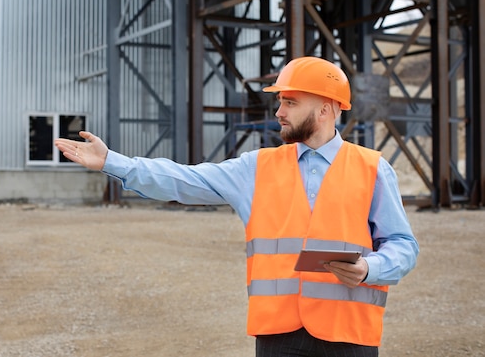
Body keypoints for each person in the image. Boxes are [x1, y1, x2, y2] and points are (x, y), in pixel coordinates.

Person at [55, 56, 419, 357]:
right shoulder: (256, 168)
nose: (279, 111)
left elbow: (403, 245)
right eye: (280, 102)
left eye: (290, 102)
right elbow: (185, 180)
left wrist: (371, 269)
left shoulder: (372, 168)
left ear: (325, 109)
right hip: (279, 336)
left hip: (348, 335)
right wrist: (112, 162)